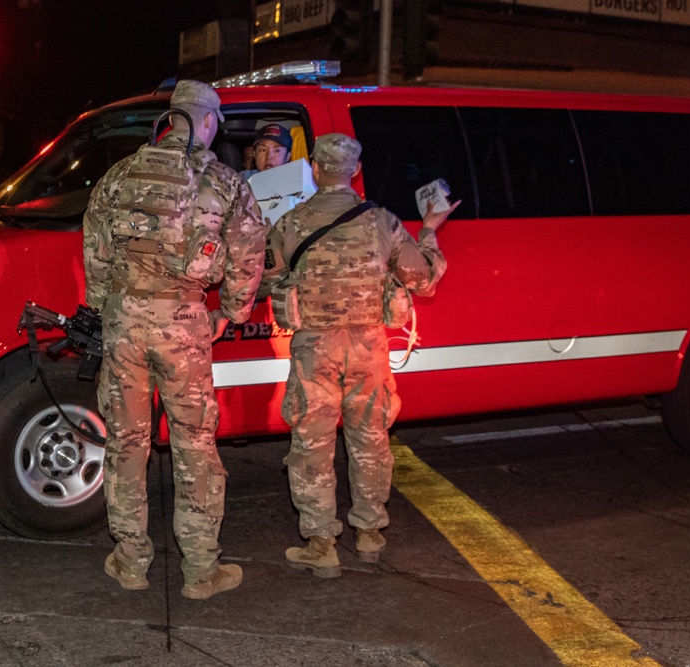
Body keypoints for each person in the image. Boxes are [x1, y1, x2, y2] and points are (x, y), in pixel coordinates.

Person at [82, 80, 265, 600]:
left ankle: (131, 559)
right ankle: (201, 569)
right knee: (194, 444)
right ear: (206, 122)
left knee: (126, 444)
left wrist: (107, 304)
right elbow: (250, 253)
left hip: (123, 322)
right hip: (185, 321)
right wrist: (230, 313)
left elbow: (94, 250)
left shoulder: (119, 176)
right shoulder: (224, 182)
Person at [259, 133, 458, 578]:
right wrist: (429, 228)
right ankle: (369, 533)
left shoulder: (293, 222)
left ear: (314, 169)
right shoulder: (382, 222)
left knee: (313, 443)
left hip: (316, 347)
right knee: (370, 439)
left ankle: (321, 542)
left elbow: (266, 281)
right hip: (369, 345)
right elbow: (423, 278)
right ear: (355, 171)